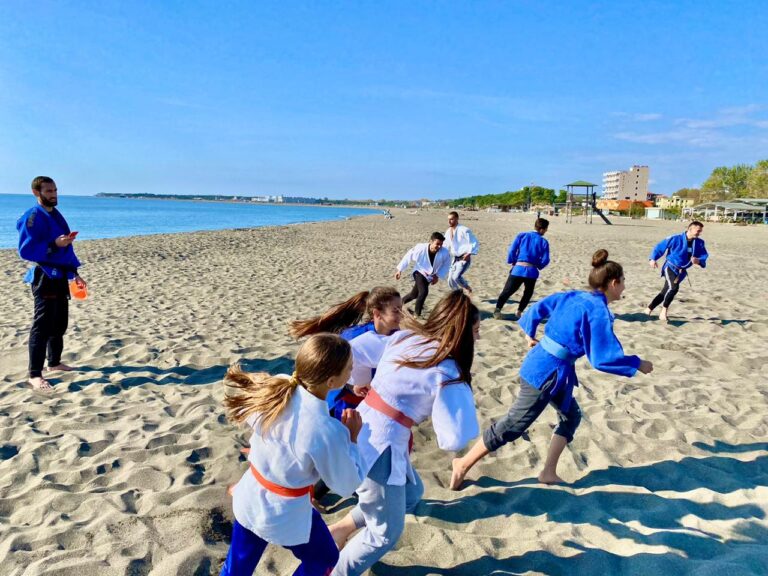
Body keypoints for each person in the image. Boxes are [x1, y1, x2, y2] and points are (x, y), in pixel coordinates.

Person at [450, 249, 653, 490]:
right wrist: (637, 363)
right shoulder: (598, 311)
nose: (624, 287)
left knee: (571, 416)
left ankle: (548, 472)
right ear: (613, 283)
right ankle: (462, 463)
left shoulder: (574, 295)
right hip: (546, 373)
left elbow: (537, 310)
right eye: (623, 282)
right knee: (515, 424)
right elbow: (602, 358)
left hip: (549, 367)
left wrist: (529, 335)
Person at [328, 291, 480, 576]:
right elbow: (454, 439)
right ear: (461, 333)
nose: (479, 338)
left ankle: (342, 528)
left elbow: (356, 353)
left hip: (363, 422)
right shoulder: (447, 371)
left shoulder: (405, 337)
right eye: (476, 331)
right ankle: (334, 572)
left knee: (412, 493)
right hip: (381, 445)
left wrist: (360, 382)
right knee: (385, 533)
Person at [220, 334, 366, 576]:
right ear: (332, 381)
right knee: (325, 558)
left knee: (238, 566)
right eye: (349, 368)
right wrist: (352, 440)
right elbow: (346, 483)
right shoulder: (327, 430)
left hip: (251, 494)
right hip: (284, 511)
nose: (352, 370)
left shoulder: (278, 385)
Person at [290, 287, 403, 503]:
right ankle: (315, 495)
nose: (401, 315)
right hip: (342, 401)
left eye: (401, 309)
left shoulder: (395, 336)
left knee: (356, 448)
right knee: (341, 449)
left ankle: (349, 487)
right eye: (396, 311)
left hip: (369, 401)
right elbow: (333, 374)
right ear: (377, 314)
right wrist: (352, 388)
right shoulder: (355, 339)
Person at [16, 176, 86, 391]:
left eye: (55, 190)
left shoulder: (56, 215)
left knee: (59, 323)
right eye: (48, 191)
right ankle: (34, 374)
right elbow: (26, 250)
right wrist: (54, 244)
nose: (53, 194)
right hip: (44, 276)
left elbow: (66, 248)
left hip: (60, 275)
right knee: (42, 325)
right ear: (37, 193)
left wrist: (74, 273)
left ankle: (54, 362)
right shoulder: (32, 216)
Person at [645, 221, 709, 323]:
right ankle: (663, 311)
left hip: (681, 272)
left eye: (700, 231)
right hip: (670, 267)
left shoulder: (699, 243)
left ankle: (649, 309)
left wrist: (699, 261)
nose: (699, 233)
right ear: (690, 229)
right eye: (698, 231)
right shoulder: (675, 238)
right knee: (674, 288)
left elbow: (703, 256)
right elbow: (660, 247)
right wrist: (653, 259)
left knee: (665, 291)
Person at [493, 218, 550, 320]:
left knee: (507, 291)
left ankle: (498, 309)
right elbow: (546, 259)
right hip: (532, 272)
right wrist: (539, 266)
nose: (546, 231)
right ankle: (519, 311)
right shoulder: (543, 241)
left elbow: (512, 250)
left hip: (518, 269)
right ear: (542, 229)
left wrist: (512, 261)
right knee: (528, 293)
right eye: (546, 229)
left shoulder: (522, 235)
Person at [395, 232, 451, 317]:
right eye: (437, 244)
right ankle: (417, 315)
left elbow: (446, 264)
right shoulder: (420, 248)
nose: (439, 246)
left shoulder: (445, 252)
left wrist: (437, 276)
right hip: (419, 271)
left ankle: (398, 305)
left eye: (441, 244)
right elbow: (408, 256)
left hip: (430, 275)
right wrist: (400, 270)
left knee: (414, 295)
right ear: (431, 242)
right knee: (424, 292)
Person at [444, 211, 479, 294]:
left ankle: (467, 287)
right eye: (448, 219)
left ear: (457, 219)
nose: (449, 221)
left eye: (451, 219)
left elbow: (474, 242)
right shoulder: (448, 231)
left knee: (456, 277)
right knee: (450, 279)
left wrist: (469, 253)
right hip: (454, 258)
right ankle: (456, 294)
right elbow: (445, 244)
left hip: (464, 258)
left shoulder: (464, 230)